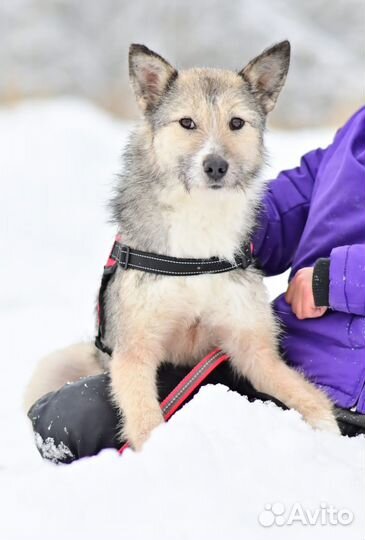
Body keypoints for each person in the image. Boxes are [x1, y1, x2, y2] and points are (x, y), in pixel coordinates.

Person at [28, 107, 365, 464]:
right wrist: (184, 224)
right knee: (70, 417)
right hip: (292, 360)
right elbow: (290, 204)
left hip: (347, 401)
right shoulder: (358, 130)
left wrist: (340, 279)